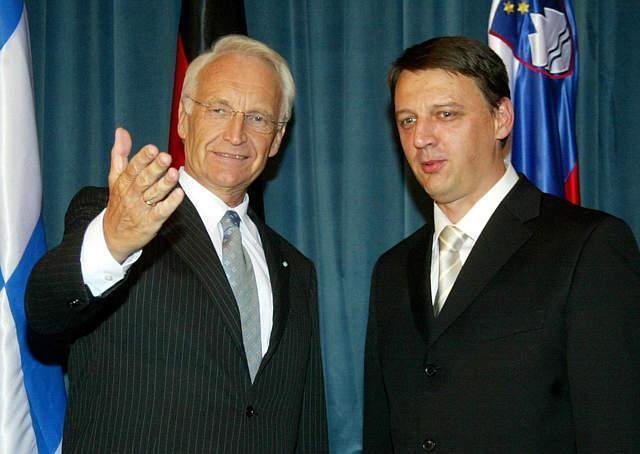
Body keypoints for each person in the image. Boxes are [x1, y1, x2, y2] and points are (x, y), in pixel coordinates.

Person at [26, 35, 328, 453]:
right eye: (219, 109)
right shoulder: (113, 218)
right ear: (184, 119)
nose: (236, 134)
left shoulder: (296, 269)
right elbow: (45, 308)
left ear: (276, 140)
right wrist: (112, 242)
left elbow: (306, 428)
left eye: (258, 118)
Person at [363, 36, 640, 452]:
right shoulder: (392, 270)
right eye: (407, 120)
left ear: (501, 119)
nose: (421, 137)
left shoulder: (588, 247)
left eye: (445, 114)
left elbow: (615, 430)